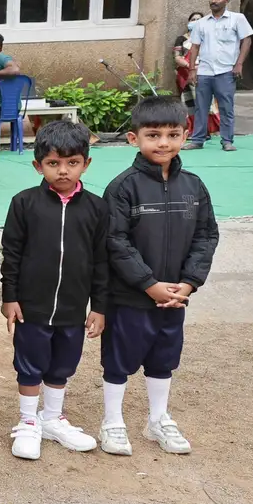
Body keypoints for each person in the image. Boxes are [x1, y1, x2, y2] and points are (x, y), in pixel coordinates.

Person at [100, 96, 219, 456]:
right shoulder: (123, 188)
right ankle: (112, 422)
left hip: (174, 298)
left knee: (164, 359)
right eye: (153, 135)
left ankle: (158, 419)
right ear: (134, 139)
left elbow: (206, 235)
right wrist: (148, 284)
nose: (163, 143)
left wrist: (189, 282)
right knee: (118, 361)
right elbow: (114, 241)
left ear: (185, 136)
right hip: (131, 297)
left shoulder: (194, 187)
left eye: (172, 134)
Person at [1, 121, 108, 460]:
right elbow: (12, 253)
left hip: (73, 307)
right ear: (38, 166)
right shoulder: (24, 203)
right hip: (32, 306)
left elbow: (102, 261)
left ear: (86, 164)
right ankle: (29, 422)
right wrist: (10, 297)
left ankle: (52, 419)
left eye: (72, 162)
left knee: (62, 364)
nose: (63, 171)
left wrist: (99, 306)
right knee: (30, 363)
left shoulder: (97, 208)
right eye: (53, 163)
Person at [183, 0, 253, 152]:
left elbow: (247, 40)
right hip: (205, 71)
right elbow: (194, 47)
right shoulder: (201, 23)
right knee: (201, 107)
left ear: (226, 0)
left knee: (226, 107)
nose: (214, 1)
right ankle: (198, 140)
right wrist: (192, 70)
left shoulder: (237, 19)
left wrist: (239, 64)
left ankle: (227, 141)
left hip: (226, 71)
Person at [174, 12, 220, 141]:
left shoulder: (208, 38)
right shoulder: (182, 39)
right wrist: (191, 66)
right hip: (187, 75)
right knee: (191, 103)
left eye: (198, 20)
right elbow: (177, 57)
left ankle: (206, 130)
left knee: (206, 103)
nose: (195, 21)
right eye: (193, 19)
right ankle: (193, 130)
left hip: (206, 73)